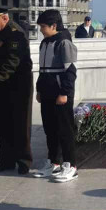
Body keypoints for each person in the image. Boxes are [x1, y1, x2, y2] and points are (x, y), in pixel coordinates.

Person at [0, 4, 33, 175]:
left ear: (4, 18)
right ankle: (6, 161)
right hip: (1, 84)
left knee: (20, 123)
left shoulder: (15, 33)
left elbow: (12, 62)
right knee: (4, 124)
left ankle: (24, 161)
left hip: (19, 84)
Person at [34, 9, 78, 182]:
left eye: (43, 26)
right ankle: (54, 163)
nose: (41, 30)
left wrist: (64, 93)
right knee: (50, 129)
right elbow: (42, 69)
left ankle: (71, 165)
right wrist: (39, 89)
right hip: (46, 93)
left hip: (61, 94)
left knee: (64, 130)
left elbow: (71, 71)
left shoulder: (64, 42)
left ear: (53, 25)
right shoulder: (44, 43)